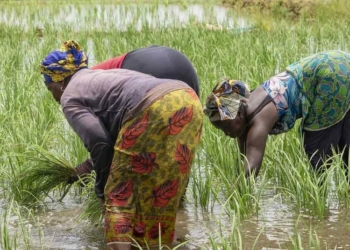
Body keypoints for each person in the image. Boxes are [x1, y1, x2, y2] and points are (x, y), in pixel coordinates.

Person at [40, 40, 203, 249]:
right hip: (188, 100)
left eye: (49, 87)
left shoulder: (70, 96)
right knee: (162, 193)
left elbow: (100, 144)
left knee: (118, 198)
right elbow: (118, 139)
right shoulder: (102, 76)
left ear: (59, 81)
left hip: (153, 107)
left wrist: (101, 190)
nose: (52, 94)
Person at [204, 50, 350, 178]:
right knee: (345, 140)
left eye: (226, 127)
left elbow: (252, 166)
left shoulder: (259, 119)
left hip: (331, 75)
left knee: (315, 150)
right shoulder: (243, 108)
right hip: (334, 62)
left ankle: (319, 201)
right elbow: (245, 157)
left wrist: (233, 197)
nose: (226, 133)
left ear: (239, 114)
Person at [70, 45, 200, 184]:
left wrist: (90, 169)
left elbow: (106, 143)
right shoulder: (93, 76)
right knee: (180, 145)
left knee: (134, 162)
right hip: (183, 67)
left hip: (147, 73)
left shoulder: (78, 89)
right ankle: (179, 199)